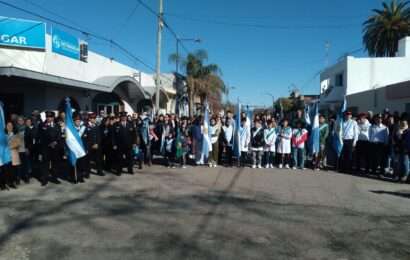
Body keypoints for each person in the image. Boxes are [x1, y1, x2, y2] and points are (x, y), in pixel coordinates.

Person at [39, 111, 64, 186]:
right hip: (46, 148)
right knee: (45, 164)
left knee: (55, 163)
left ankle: (54, 178)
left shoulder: (57, 125)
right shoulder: (42, 125)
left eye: (50, 117)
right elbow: (40, 136)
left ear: (53, 118)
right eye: (48, 117)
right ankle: (44, 179)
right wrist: (48, 143)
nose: (49, 118)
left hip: (55, 148)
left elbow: (59, 135)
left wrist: (55, 142)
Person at [6, 121, 21, 188]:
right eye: (8, 125)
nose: (9, 127)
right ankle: (9, 181)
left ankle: (15, 181)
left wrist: (8, 147)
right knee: (8, 169)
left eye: (10, 125)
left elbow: (17, 144)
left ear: (13, 127)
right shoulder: (4, 135)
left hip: (14, 154)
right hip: (6, 155)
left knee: (14, 169)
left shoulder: (16, 134)